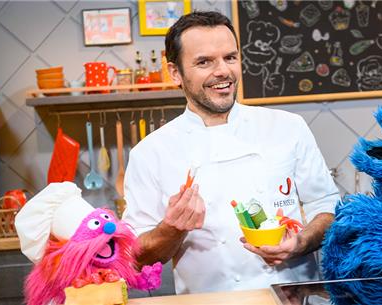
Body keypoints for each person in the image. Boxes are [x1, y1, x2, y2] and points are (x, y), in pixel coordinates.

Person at [122, 11, 340, 294]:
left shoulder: (288, 127)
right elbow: (134, 255)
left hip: (293, 297)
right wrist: (171, 229)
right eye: (204, 62)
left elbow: (327, 208)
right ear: (175, 72)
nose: (223, 71)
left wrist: (299, 243)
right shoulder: (150, 153)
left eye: (230, 57)